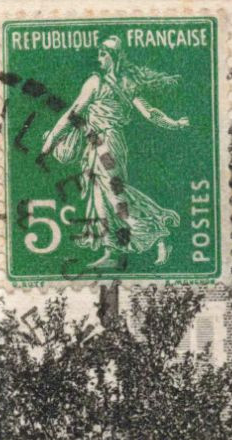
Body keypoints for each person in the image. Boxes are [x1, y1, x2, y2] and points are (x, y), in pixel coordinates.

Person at [40, 37, 190, 268]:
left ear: (114, 57)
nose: (99, 58)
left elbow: (148, 112)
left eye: (103, 54)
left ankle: (158, 234)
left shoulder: (103, 83)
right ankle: (110, 250)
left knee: (114, 193)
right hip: (95, 142)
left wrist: (50, 141)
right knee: (99, 194)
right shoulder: (112, 82)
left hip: (107, 143)